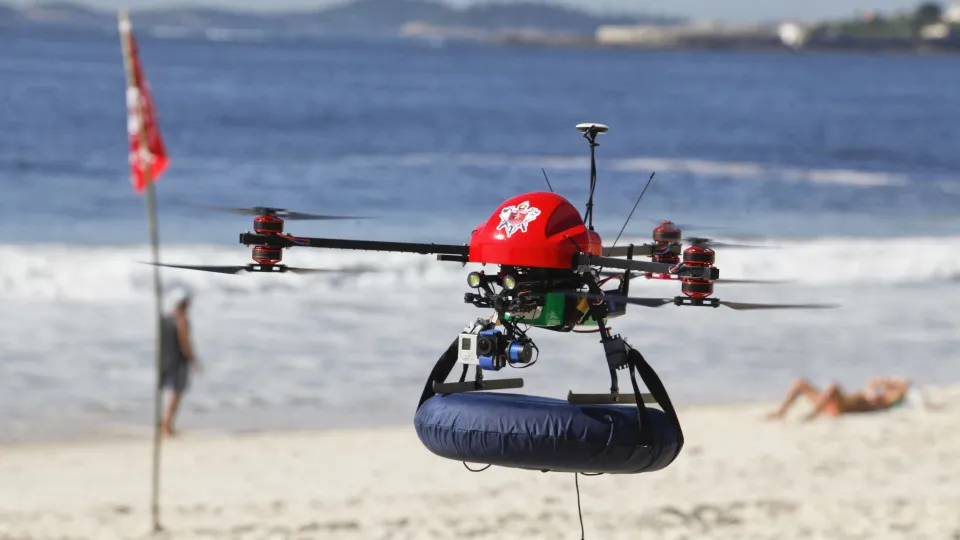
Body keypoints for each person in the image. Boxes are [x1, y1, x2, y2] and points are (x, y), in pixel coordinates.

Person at [766, 376, 911, 422]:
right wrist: (885, 382)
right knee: (800, 382)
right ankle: (780, 412)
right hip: (830, 403)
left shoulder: (885, 399)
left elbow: (904, 385)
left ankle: (813, 414)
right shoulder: (877, 390)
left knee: (833, 386)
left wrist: (891, 385)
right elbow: (874, 381)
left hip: (843, 408)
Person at [159, 289, 199, 437]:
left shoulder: (165, 319)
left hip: (164, 358)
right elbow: (185, 342)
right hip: (178, 360)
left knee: (166, 393)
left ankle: (164, 422)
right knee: (176, 394)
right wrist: (193, 359)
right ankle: (166, 426)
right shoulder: (182, 320)